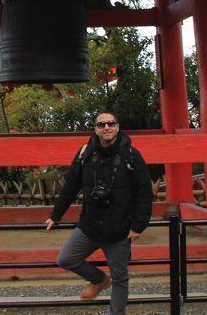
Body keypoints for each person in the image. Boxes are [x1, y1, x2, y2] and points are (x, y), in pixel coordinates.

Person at [45, 111, 153, 314]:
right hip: (90, 225)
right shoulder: (85, 153)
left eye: (111, 123)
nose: (106, 127)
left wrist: (138, 225)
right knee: (66, 259)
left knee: (120, 278)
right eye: (101, 124)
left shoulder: (131, 155)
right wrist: (55, 215)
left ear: (118, 127)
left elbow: (144, 192)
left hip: (119, 229)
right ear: (95, 129)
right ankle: (99, 279)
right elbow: (71, 185)